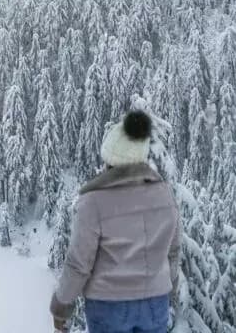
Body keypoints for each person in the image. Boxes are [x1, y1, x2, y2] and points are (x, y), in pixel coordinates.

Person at [50, 110, 180, 333]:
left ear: (109, 158)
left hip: (109, 304)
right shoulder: (164, 194)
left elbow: (79, 263)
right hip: (155, 302)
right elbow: (173, 251)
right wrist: (171, 288)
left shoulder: (93, 201)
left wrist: (62, 305)